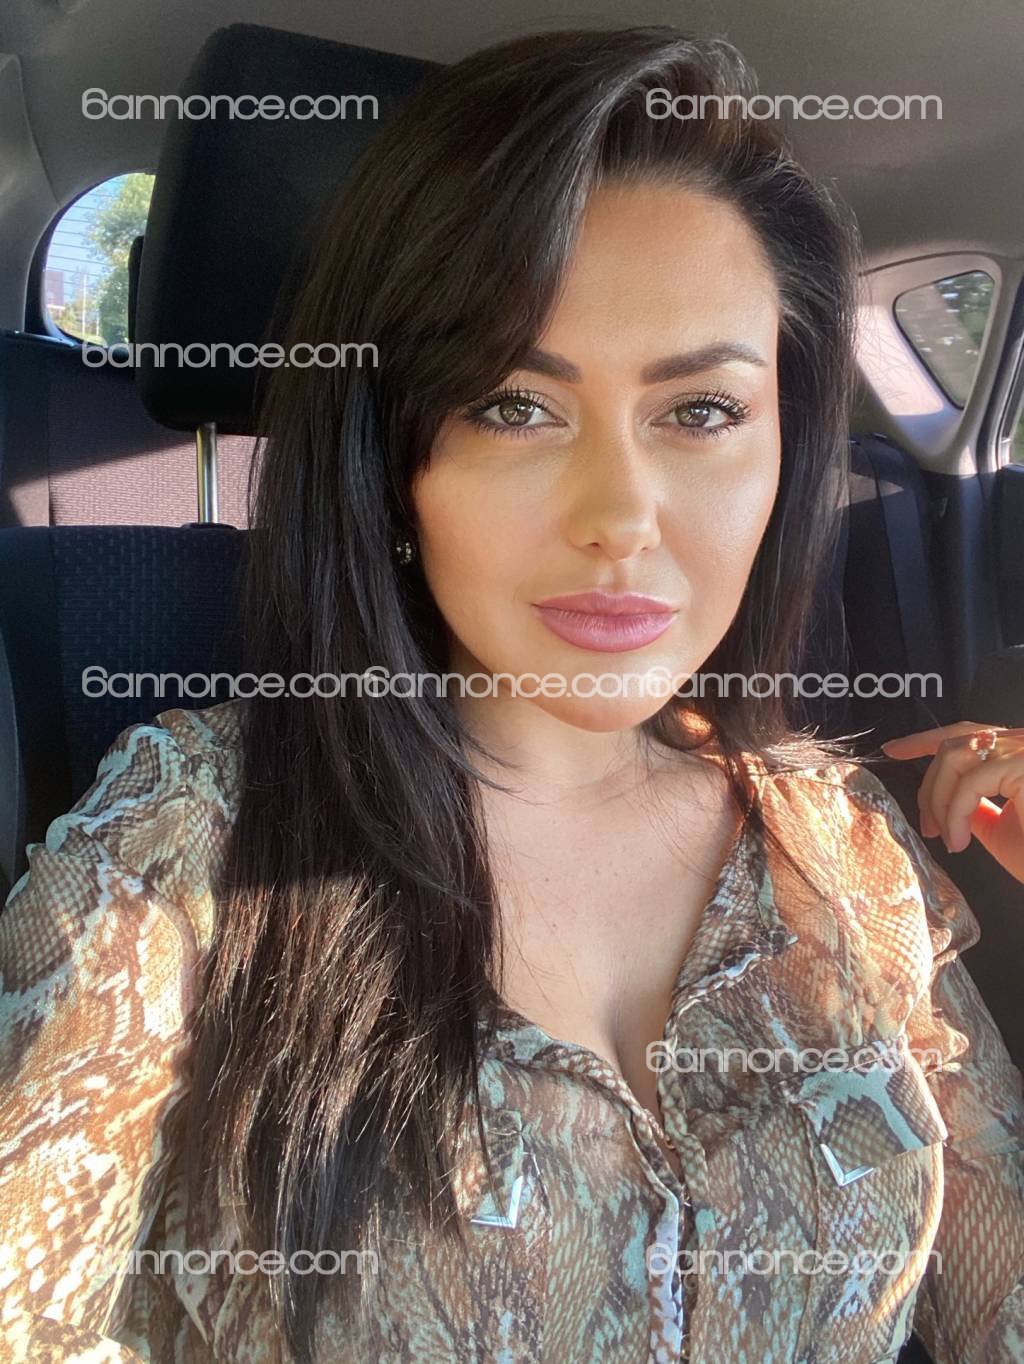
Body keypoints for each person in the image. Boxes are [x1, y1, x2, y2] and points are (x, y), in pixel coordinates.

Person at [2, 25, 1022, 1364]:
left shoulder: (850, 852)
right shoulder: (176, 855)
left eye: (702, 412)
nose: (621, 517)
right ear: (395, 459)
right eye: (511, 405)